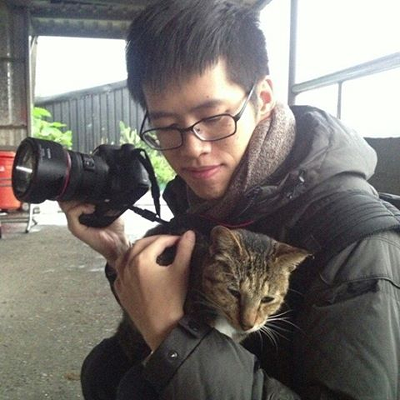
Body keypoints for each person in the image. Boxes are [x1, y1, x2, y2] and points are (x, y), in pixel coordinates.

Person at [60, 0, 400, 399]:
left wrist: (172, 337)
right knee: (105, 369)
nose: (193, 149)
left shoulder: (359, 247)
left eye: (214, 118)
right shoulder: (213, 201)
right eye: (167, 126)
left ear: (264, 97)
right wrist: (121, 252)